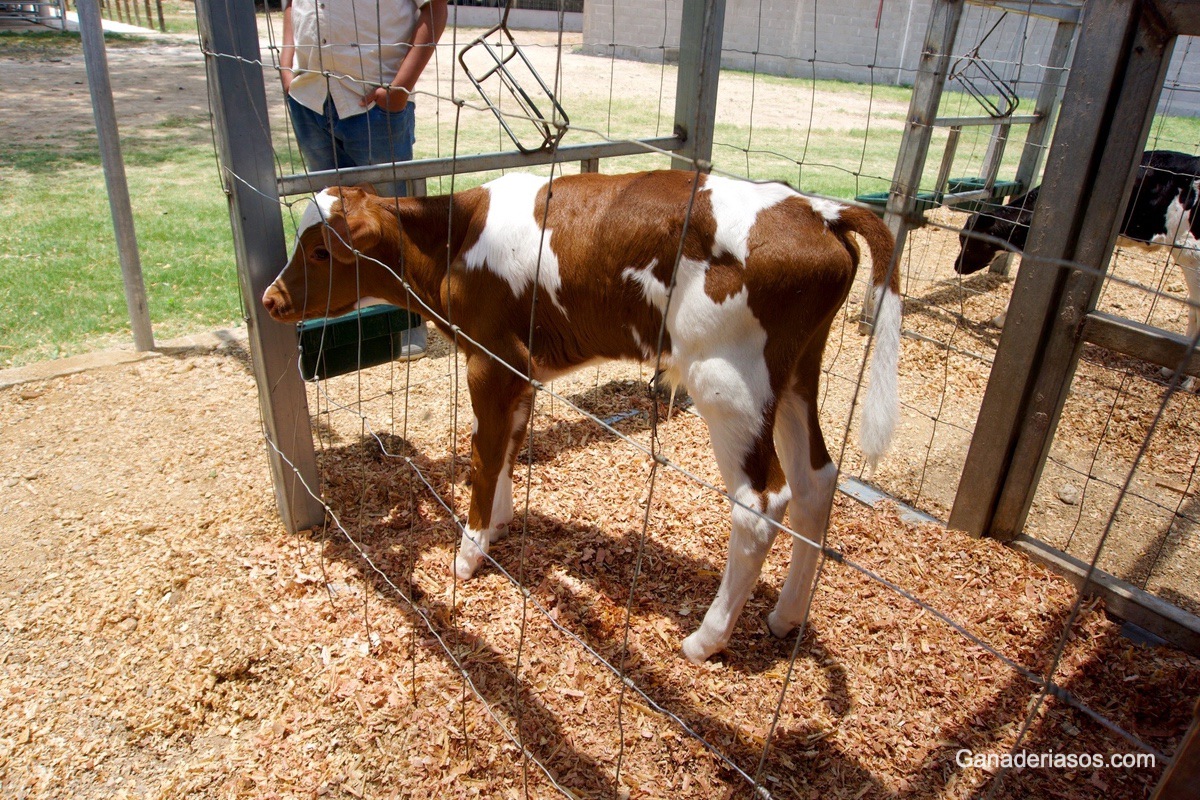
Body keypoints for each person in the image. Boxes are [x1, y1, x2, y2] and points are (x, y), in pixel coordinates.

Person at [280, 0, 448, 359]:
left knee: (394, 215)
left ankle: (407, 321)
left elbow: (434, 8)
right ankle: (345, 317)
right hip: (309, 97)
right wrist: (288, 69)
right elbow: (292, 6)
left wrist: (399, 91)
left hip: (373, 98)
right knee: (328, 212)